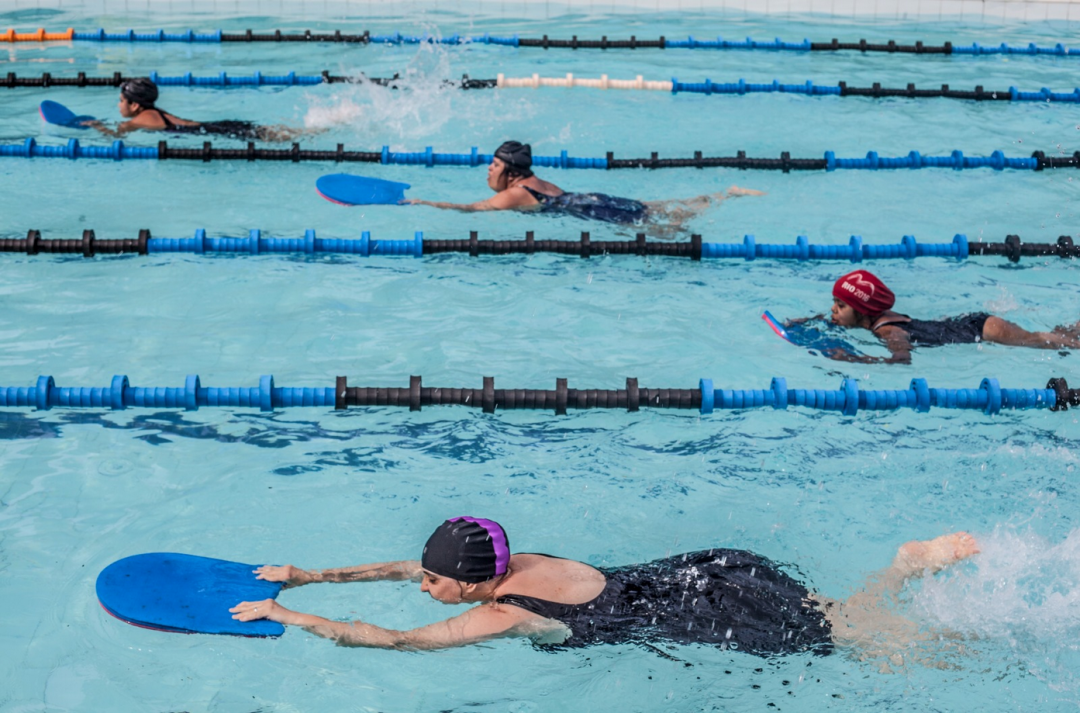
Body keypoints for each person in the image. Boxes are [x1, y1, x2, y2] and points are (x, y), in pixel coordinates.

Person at [230, 516, 980, 663]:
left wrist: (286, 612)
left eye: (435, 580)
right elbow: (400, 570)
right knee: (835, 617)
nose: (422, 586)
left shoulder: (505, 615)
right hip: (707, 567)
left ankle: (964, 639)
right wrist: (312, 571)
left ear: (474, 582)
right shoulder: (512, 558)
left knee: (857, 643)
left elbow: (392, 640)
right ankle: (907, 569)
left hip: (708, 610)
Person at [403, 141, 764, 229]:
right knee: (656, 208)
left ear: (510, 171)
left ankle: (718, 205)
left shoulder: (515, 194)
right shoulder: (537, 181)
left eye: (494, 164)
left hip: (589, 209)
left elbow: (473, 209)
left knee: (664, 228)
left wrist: (425, 202)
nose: (488, 170)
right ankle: (722, 195)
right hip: (593, 198)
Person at [820, 269, 1080, 364]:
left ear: (863, 311)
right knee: (1049, 337)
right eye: (834, 302)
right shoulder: (874, 316)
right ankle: (1070, 330)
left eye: (840, 306)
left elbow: (901, 359)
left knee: (1039, 341)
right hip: (968, 322)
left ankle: (1072, 338)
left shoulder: (888, 331)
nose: (833, 310)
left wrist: (855, 358)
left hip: (984, 330)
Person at [84, 77, 307, 142]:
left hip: (212, 131)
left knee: (272, 137)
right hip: (212, 126)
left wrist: (96, 126)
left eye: (121, 101)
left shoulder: (140, 119)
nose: (118, 105)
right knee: (270, 133)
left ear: (134, 105)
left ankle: (311, 132)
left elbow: (117, 135)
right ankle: (308, 130)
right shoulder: (152, 112)